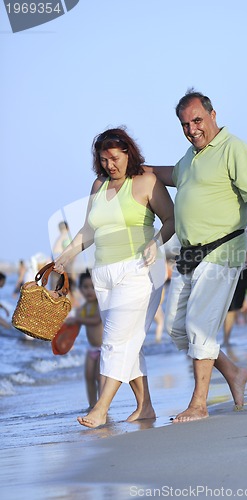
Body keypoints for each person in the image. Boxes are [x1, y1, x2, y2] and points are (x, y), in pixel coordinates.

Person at [146, 90, 247, 422]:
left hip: (223, 249)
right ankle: (233, 372)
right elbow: (175, 174)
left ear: (213, 114)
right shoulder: (191, 156)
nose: (192, 129)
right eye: (185, 124)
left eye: (197, 120)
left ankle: (199, 404)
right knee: (175, 328)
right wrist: (139, 168)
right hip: (188, 254)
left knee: (200, 325)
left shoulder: (234, 149)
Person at [54, 127, 175, 428]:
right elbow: (89, 230)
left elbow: (172, 219)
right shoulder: (99, 185)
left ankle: (101, 407)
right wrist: (64, 258)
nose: (110, 164)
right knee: (128, 341)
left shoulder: (147, 182)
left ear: (128, 153)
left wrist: (156, 241)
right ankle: (145, 407)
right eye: (104, 159)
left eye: (114, 158)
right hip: (103, 273)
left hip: (139, 270)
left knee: (114, 341)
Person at [65, 271, 103, 409]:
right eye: (85, 287)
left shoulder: (100, 304)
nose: (89, 291)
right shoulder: (84, 307)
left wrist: (78, 319)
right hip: (92, 348)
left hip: (103, 348)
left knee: (100, 378)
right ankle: (92, 404)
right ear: (80, 289)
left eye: (92, 287)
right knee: (88, 377)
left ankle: (101, 404)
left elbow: (96, 320)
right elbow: (76, 325)